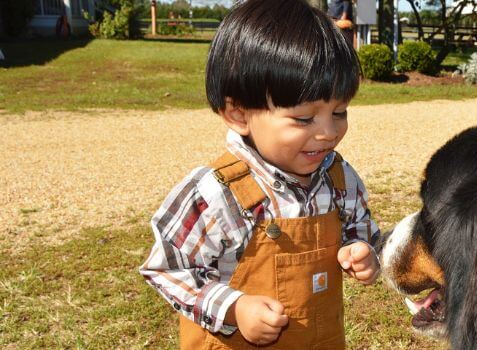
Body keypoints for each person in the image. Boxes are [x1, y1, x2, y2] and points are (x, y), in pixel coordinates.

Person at [139, 0, 379, 348]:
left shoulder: (340, 179)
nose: (328, 132)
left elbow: (362, 229)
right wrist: (235, 308)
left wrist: (361, 249)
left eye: (339, 112)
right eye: (304, 118)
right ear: (239, 114)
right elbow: (167, 267)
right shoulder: (217, 193)